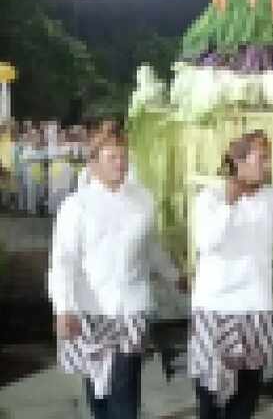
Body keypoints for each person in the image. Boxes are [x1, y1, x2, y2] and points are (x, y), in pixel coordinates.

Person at [48, 129, 182, 419]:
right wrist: (64, 308)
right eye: (112, 158)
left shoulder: (143, 200)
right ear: (93, 164)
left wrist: (174, 275)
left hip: (131, 308)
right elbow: (63, 261)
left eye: (123, 157)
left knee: (125, 386)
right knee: (98, 389)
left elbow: (151, 246)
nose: (120, 164)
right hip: (91, 311)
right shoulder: (76, 207)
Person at [187, 130, 273, 419]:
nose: (267, 165)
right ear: (238, 161)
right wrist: (228, 203)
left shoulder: (272, 198)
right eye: (261, 159)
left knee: (248, 392)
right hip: (216, 306)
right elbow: (206, 242)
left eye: (268, 159)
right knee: (210, 393)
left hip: (255, 305)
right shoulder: (209, 197)